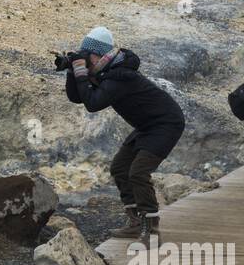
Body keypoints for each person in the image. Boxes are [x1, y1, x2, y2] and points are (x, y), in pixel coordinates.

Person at [63, 26, 185, 241]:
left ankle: (151, 229)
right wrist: (72, 71)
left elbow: (92, 104)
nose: (85, 61)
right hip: (146, 126)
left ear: (96, 55)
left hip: (166, 124)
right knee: (120, 168)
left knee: (138, 172)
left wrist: (81, 72)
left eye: (85, 57)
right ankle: (135, 222)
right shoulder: (106, 71)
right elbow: (76, 98)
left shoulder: (119, 76)